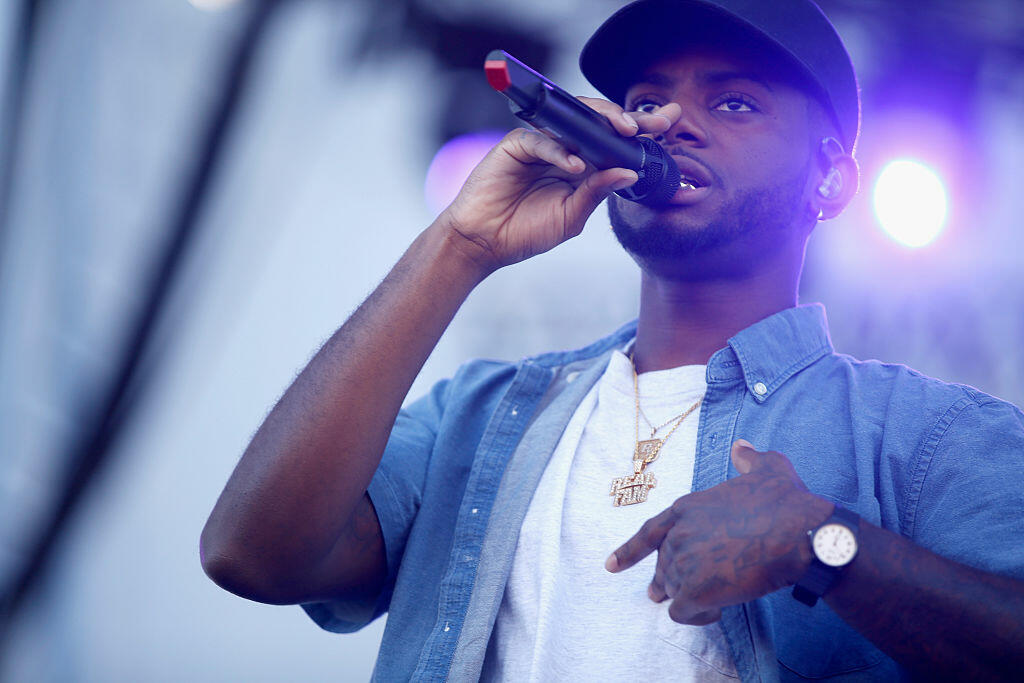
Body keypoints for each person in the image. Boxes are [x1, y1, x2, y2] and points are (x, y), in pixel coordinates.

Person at [200, 0, 1024, 680]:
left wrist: (822, 544)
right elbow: (250, 554)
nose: (674, 124)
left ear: (832, 177)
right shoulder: (480, 414)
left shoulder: (925, 434)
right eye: (646, 100)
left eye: (734, 102)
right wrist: (460, 244)